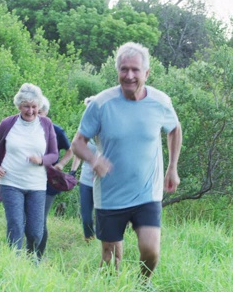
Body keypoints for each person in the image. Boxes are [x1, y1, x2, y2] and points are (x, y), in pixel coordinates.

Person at [71, 42, 182, 282]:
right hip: (110, 194)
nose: (129, 75)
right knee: (110, 258)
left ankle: (144, 284)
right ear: (117, 71)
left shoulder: (160, 102)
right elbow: (78, 143)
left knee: (151, 250)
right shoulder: (100, 104)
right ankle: (112, 286)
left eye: (135, 70)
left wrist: (172, 168)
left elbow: (174, 129)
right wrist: (93, 158)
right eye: (124, 69)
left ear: (147, 73)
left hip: (147, 192)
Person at [0, 83, 58, 257]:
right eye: (26, 106)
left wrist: (42, 160)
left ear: (39, 106)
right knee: (16, 225)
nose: (31, 111)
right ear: (19, 106)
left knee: (35, 232)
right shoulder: (8, 124)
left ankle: (32, 261)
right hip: (10, 182)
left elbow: (54, 154)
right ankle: (13, 264)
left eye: (34, 106)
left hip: (37, 184)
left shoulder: (46, 124)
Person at [36, 96, 76, 257]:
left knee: (40, 218)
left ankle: (38, 256)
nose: (36, 115)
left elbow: (71, 149)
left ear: (46, 111)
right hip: (28, 178)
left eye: (40, 111)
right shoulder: (25, 128)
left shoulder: (56, 130)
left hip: (49, 181)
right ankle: (24, 252)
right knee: (25, 217)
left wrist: (61, 165)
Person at [70, 96, 98, 243]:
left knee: (102, 215)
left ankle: (102, 242)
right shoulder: (84, 133)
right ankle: (89, 239)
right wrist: (73, 171)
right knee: (86, 215)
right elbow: (78, 153)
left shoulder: (106, 132)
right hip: (86, 180)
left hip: (103, 182)